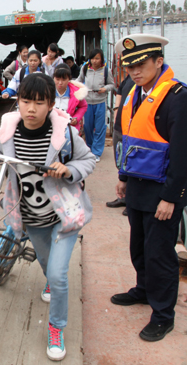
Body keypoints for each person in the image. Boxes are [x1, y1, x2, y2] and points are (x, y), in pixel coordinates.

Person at [0, 73, 96, 361]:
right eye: (26, 101)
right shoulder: (9, 132)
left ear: (51, 104)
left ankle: (56, 327)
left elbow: (88, 160)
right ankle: (49, 280)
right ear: (18, 102)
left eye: (39, 103)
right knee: (48, 266)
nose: (31, 109)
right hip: (31, 217)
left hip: (64, 216)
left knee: (59, 276)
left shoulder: (65, 134)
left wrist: (68, 170)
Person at [112, 33, 187, 342]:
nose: (134, 72)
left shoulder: (177, 97)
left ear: (159, 61)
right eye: (130, 67)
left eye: (141, 65)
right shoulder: (134, 92)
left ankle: (163, 315)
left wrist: (171, 197)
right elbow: (132, 140)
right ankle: (143, 289)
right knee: (139, 247)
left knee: (160, 254)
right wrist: (123, 177)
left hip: (163, 192)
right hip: (138, 187)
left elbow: (182, 153)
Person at [77, 48, 115, 163]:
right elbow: (79, 81)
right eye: (92, 58)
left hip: (100, 102)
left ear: (101, 59)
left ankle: (97, 152)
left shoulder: (106, 70)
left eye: (97, 58)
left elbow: (112, 84)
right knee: (87, 127)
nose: (94, 61)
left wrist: (105, 89)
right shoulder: (85, 69)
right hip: (87, 102)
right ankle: (89, 149)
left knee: (99, 128)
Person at [106, 75, 135, 215]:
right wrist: (117, 111)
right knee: (120, 161)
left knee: (131, 163)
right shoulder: (129, 78)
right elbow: (120, 92)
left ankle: (131, 201)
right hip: (120, 125)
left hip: (132, 129)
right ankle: (123, 197)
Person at [53, 63, 88, 131]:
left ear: (69, 79)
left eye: (63, 80)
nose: (60, 83)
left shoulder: (76, 93)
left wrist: (76, 118)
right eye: (57, 79)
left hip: (69, 129)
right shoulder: (47, 91)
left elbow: (83, 106)